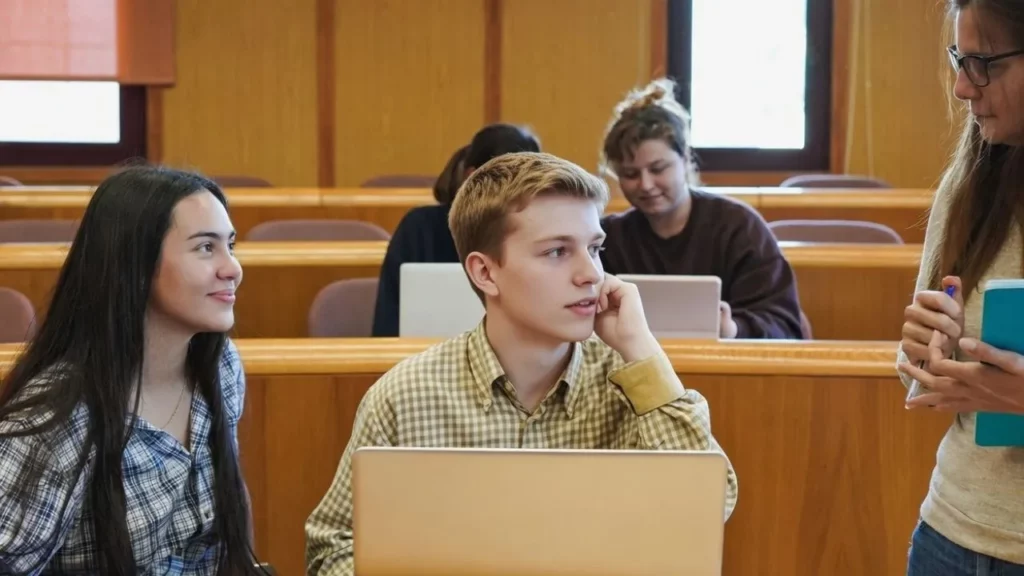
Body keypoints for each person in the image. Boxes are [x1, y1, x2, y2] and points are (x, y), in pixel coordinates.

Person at [306, 151, 738, 575]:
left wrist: (643, 350)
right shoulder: (405, 395)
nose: (592, 273)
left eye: (594, 248)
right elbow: (333, 551)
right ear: (485, 273)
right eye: (557, 252)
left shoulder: (630, 381)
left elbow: (708, 509)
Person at [0, 166, 266, 574]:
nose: (233, 268)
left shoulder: (220, 366)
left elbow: (230, 521)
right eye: (205, 248)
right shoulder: (57, 417)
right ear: (135, 265)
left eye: (230, 245)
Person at [896, 0, 1024, 573]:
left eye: (983, 64)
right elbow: (917, 374)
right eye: (958, 59)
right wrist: (922, 350)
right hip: (953, 536)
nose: (960, 88)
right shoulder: (971, 180)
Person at [598, 78, 805, 339]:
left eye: (658, 169)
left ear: (685, 160)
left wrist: (732, 329)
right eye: (630, 174)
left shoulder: (738, 227)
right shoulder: (610, 237)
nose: (646, 185)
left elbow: (785, 325)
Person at [371, 124, 541, 336]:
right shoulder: (419, 229)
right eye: (510, 181)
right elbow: (387, 326)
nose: (520, 195)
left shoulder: (539, 234)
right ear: (473, 177)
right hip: (425, 361)